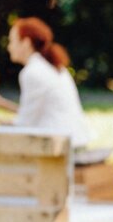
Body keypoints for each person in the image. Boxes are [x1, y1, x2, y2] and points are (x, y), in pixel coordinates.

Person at [6, 17, 91, 147]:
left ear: (26, 43)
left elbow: (24, 123)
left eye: (12, 41)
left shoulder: (32, 72)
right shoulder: (54, 66)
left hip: (61, 147)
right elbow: (32, 113)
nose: (9, 47)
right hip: (76, 139)